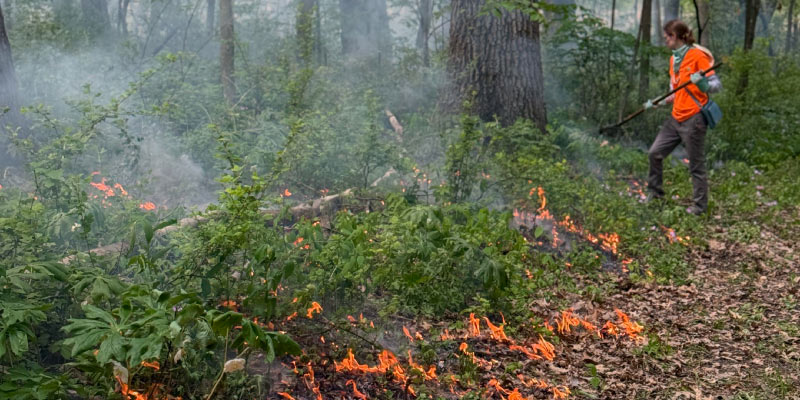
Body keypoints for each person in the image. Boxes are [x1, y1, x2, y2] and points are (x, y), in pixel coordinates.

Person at [644, 20, 722, 215]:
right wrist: (657, 102)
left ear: (676, 36)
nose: (666, 41)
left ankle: (699, 207)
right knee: (655, 153)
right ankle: (655, 194)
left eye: (667, 37)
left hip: (694, 118)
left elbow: (716, 85)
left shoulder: (697, 56)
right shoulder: (673, 60)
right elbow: (674, 91)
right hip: (675, 118)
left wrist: (703, 84)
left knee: (696, 165)